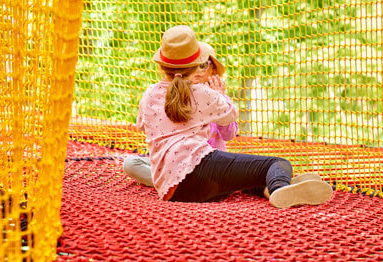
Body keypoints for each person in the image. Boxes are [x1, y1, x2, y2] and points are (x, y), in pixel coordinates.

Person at [131, 25, 332, 208]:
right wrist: (220, 94)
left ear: (162, 66)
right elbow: (230, 116)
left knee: (245, 177)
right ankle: (279, 186)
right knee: (277, 163)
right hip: (199, 171)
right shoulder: (201, 93)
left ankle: (275, 187)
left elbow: (141, 125)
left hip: (172, 190)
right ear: (196, 66)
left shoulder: (150, 93)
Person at [123, 42, 238, 186]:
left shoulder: (214, 99)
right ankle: (173, 182)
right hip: (176, 163)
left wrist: (221, 96)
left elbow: (229, 134)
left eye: (203, 65)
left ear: (213, 70)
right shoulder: (173, 94)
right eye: (194, 65)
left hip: (208, 164)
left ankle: (173, 182)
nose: (198, 70)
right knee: (130, 163)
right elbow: (147, 126)